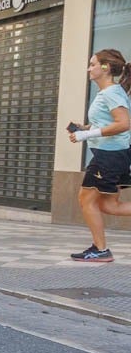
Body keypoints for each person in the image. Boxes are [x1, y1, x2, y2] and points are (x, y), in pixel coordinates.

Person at [68, 48, 131, 262]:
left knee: (86, 198)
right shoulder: (108, 93)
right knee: (107, 205)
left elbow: (123, 124)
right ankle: (100, 249)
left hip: (109, 156)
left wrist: (87, 134)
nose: (89, 68)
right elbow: (106, 123)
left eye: (93, 64)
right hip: (111, 154)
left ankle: (101, 249)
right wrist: (82, 128)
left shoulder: (112, 92)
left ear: (105, 68)